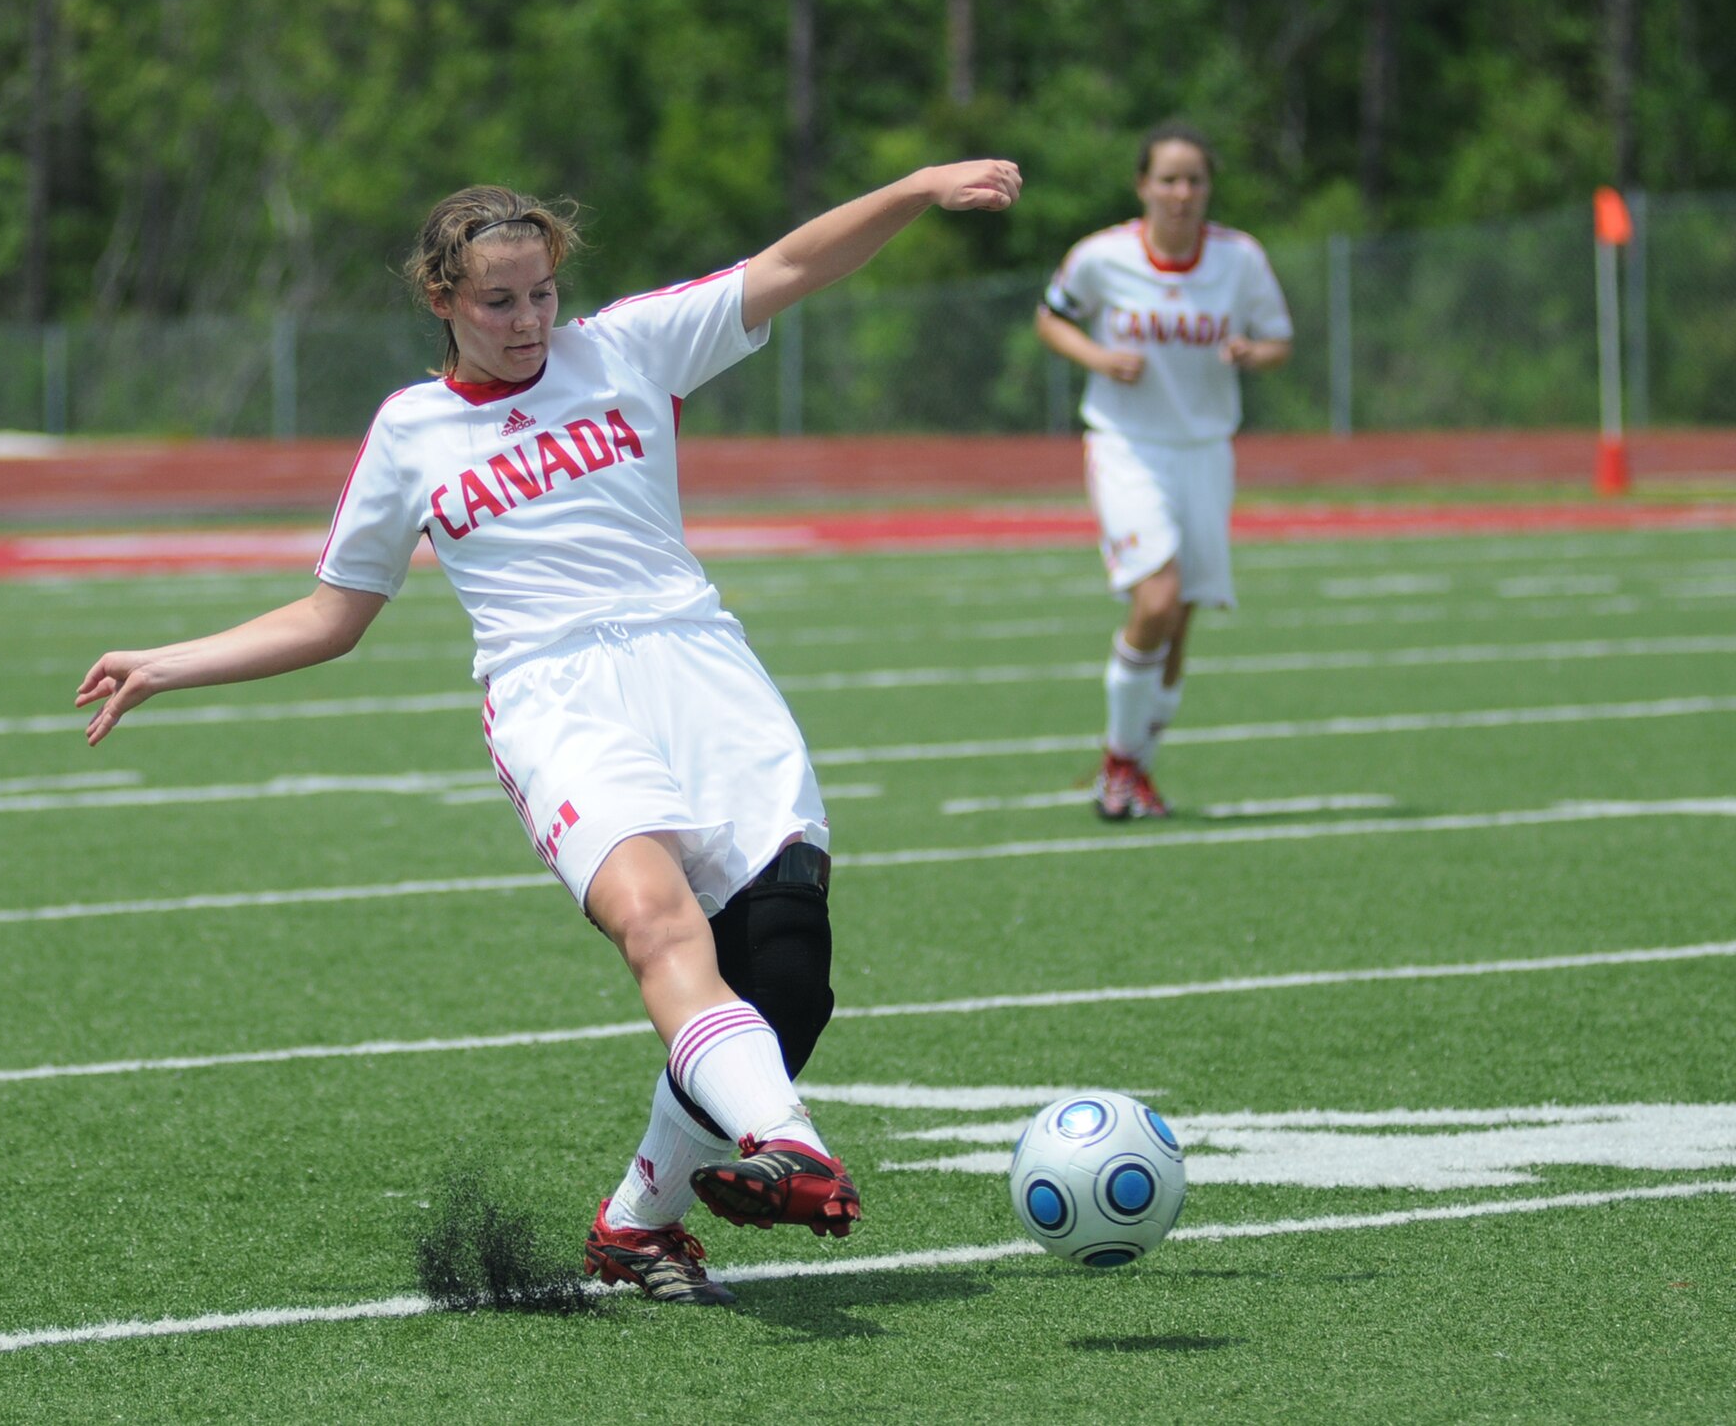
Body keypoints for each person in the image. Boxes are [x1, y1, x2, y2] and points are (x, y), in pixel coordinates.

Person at [75, 160, 1023, 1305]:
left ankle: (637, 1226)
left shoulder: (627, 348)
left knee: (786, 977)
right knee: (656, 924)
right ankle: (791, 1139)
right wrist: (164, 663)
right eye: (496, 302)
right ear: (440, 299)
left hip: (701, 667)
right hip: (553, 698)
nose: (526, 323)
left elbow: (787, 267)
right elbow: (333, 615)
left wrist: (915, 188)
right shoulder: (409, 431)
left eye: (538, 297)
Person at [1034, 121, 1292, 819]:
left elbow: (1279, 340)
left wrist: (1249, 352)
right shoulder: (1102, 256)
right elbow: (1051, 317)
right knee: (1155, 598)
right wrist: (1098, 357)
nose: (1181, 192)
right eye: (1168, 179)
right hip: (1127, 445)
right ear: (1143, 186)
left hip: (1205, 448)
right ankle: (1119, 767)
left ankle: (1134, 770)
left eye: (1195, 180)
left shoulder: (1239, 259)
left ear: (1209, 189)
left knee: (1180, 619)